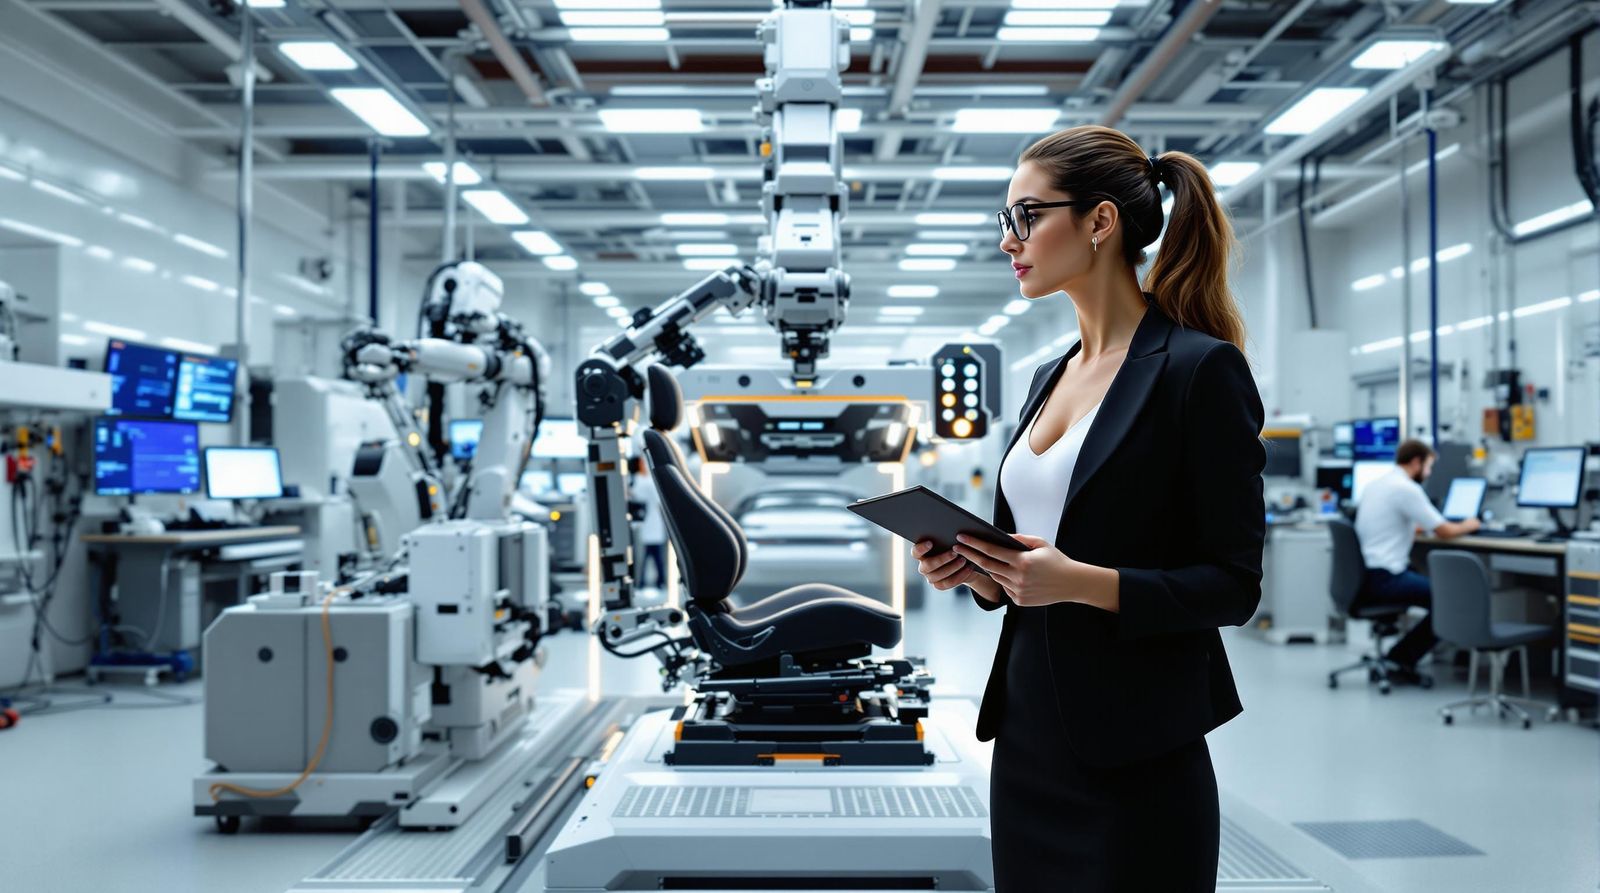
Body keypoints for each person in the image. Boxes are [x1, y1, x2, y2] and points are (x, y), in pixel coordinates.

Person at [910, 124, 1265, 892]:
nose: (1010, 241)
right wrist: (975, 571)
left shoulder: (1199, 371)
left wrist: (1079, 583)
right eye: (1006, 221)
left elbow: (1233, 585)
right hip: (1029, 737)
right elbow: (1024, 563)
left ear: (1100, 221)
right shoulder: (1048, 374)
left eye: (1026, 216)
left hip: (1138, 751)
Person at [1352, 438, 1482, 679]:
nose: (1429, 473)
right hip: (1386, 578)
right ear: (1416, 462)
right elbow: (1445, 531)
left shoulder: (1377, 485)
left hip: (1367, 574)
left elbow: (1390, 523)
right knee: (1450, 600)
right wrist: (1470, 524)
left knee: (1436, 590)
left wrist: (1416, 528)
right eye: (1429, 467)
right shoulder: (1406, 488)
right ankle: (1400, 659)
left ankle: (1401, 656)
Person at [630, 457, 668, 590]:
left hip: (655, 522)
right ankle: (641, 582)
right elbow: (634, 497)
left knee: (657, 556)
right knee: (644, 557)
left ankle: (660, 581)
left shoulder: (651, 479)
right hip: (644, 523)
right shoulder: (637, 479)